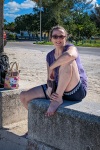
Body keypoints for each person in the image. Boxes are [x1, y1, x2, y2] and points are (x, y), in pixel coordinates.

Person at [20, 25, 87, 117]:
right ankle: (36, 123)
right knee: (23, 96)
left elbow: (70, 55)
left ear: (65, 38)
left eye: (61, 36)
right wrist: (50, 89)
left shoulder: (70, 48)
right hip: (58, 87)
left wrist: (52, 67)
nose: (58, 39)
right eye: (55, 36)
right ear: (51, 38)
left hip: (75, 90)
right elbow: (50, 78)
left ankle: (57, 99)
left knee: (67, 61)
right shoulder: (49, 56)